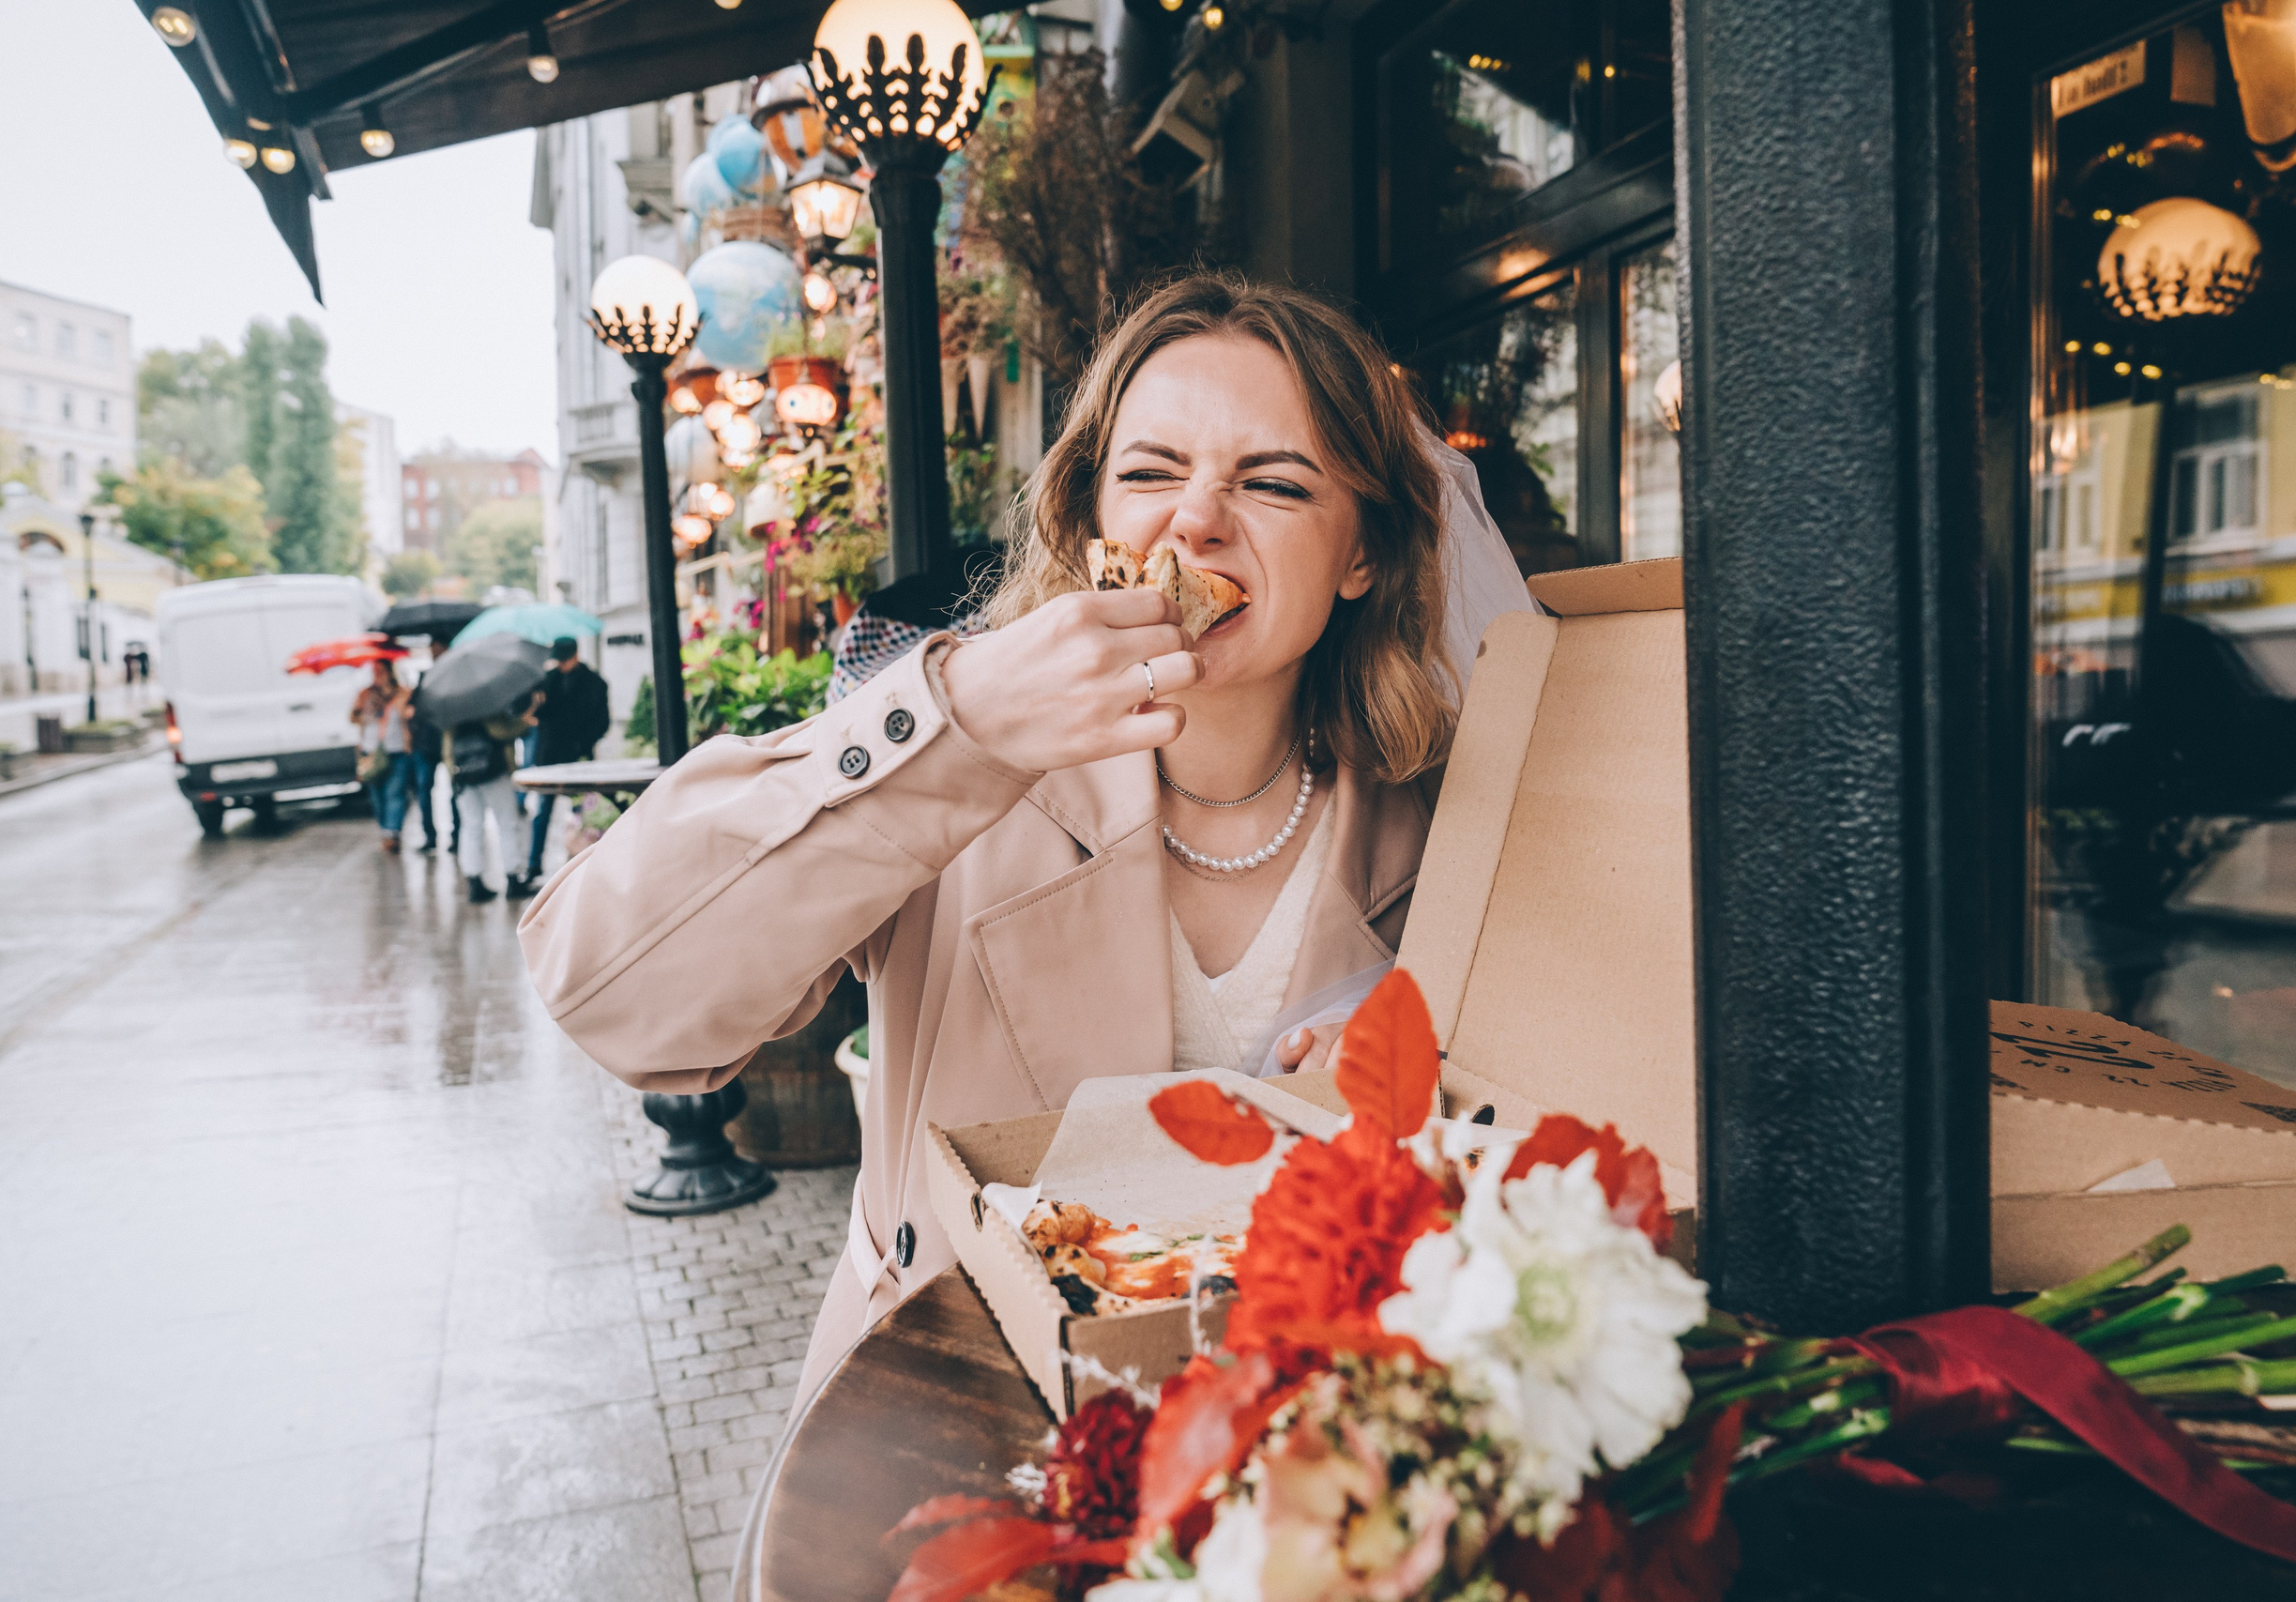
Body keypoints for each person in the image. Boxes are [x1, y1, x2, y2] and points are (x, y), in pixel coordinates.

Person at [519, 273, 1529, 1408]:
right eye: (1148, 473)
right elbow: (613, 996)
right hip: (947, 1425)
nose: (1193, 520)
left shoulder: (1455, 830)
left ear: (1362, 557)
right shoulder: (954, 773)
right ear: (1094, 524)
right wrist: (960, 730)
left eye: (1273, 483)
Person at [525, 634, 611, 881]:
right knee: (542, 812)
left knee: (582, 814)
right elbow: (539, 717)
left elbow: (602, 722)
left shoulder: (594, 683)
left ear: (575, 655)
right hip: (549, 756)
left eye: (564, 659)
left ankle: (582, 863)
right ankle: (533, 865)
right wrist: (537, 703)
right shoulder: (547, 681)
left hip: (577, 757)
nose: (560, 665)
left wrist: (582, 744)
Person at [446, 692, 540, 904]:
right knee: (507, 822)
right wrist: (523, 723)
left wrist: (453, 774)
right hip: (493, 771)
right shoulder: (485, 701)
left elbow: (447, 746)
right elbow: (500, 731)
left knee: (471, 826)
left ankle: (474, 881)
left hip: (463, 775)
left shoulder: (449, 706)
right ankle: (514, 878)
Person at [349, 658, 415, 853]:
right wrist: (361, 708)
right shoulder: (365, 694)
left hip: (396, 750)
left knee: (394, 793)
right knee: (377, 797)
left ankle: (392, 833)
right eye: (375, 671)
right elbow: (353, 718)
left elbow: (408, 713)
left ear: (389, 671)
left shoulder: (402, 692)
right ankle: (386, 829)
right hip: (371, 752)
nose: (377, 674)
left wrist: (393, 698)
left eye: (381, 671)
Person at [405, 640, 451, 855]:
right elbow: (413, 707)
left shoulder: (456, 675)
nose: (435, 653)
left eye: (438, 649)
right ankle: (430, 837)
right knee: (424, 791)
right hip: (427, 742)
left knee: (456, 792)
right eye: (433, 649)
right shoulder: (425, 676)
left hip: (449, 741)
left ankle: (457, 836)